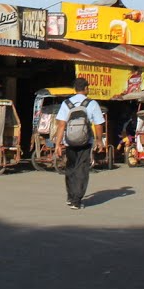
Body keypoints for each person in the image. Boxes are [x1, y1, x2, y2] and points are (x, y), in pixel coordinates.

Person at [53, 77, 104, 210]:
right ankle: (76, 200)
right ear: (86, 88)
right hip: (85, 142)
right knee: (82, 169)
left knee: (70, 168)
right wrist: (99, 141)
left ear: (75, 89)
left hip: (69, 142)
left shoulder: (66, 103)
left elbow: (61, 125)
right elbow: (98, 124)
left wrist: (57, 144)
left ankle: (70, 197)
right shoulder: (92, 104)